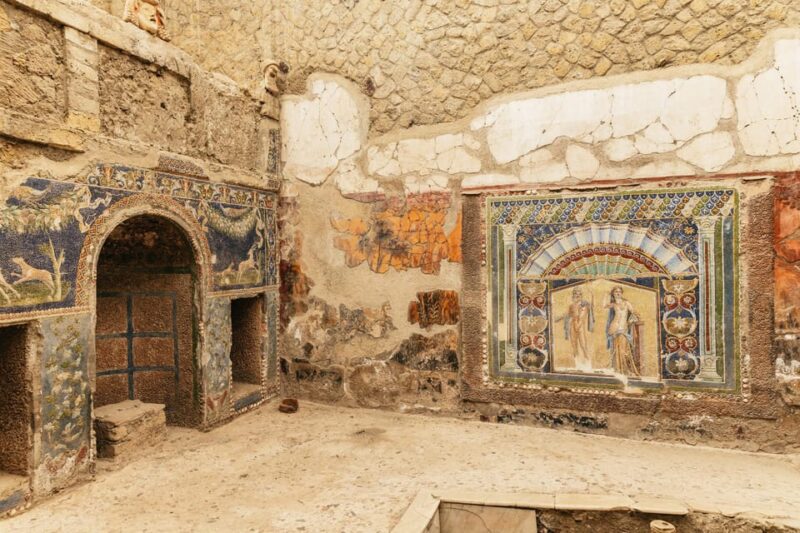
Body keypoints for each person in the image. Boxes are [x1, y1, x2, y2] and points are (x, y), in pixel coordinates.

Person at [604, 286, 641, 377]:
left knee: (623, 350)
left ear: (622, 293)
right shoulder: (613, 304)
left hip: (623, 328)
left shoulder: (626, 303)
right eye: (616, 292)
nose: (618, 293)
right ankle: (618, 369)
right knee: (616, 350)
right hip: (614, 327)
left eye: (619, 291)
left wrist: (632, 320)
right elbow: (604, 306)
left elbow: (634, 313)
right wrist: (606, 295)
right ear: (613, 294)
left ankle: (624, 370)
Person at [555, 287, 594, 371]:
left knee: (583, 345)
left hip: (580, 326)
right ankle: (578, 364)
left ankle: (588, 364)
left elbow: (583, 316)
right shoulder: (571, 305)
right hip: (572, 324)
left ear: (581, 295)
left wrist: (578, 325)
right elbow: (567, 314)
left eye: (579, 294)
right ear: (573, 295)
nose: (577, 295)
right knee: (574, 345)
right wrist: (558, 318)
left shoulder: (584, 305)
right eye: (576, 294)